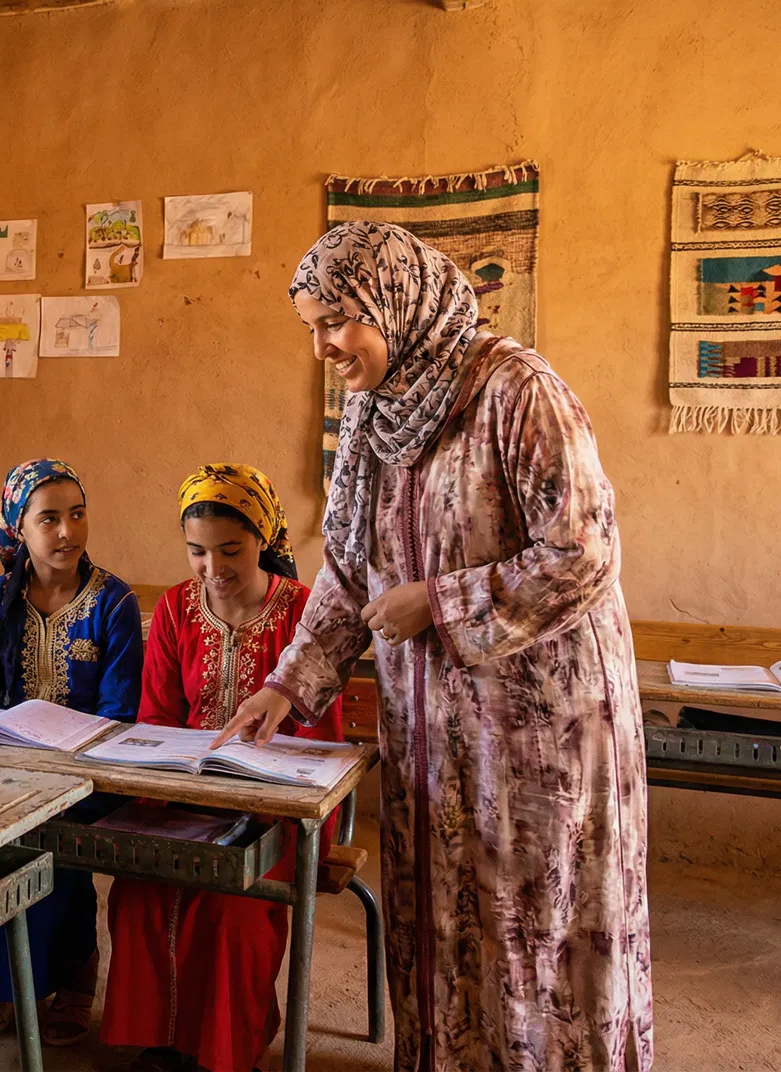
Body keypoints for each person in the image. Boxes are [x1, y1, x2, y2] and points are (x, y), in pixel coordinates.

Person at [212, 221, 654, 1071]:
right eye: (309, 326)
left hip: (539, 735)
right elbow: (347, 567)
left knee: (532, 933)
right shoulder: (375, 415)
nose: (321, 347)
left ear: (394, 303)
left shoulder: (517, 392)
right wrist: (288, 683)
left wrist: (441, 604)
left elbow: (585, 552)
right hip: (433, 730)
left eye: (335, 320)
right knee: (449, 924)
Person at [101, 464, 345, 1072]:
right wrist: (158, 799)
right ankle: (163, 1042)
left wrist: (279, 808)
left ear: (264, 538)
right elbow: (156, 720)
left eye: (230, 550)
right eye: (197, 552)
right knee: (140, 891)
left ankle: (226, 1050)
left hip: (277, 810)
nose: (213, 569)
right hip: (181, 797)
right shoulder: (177, 610)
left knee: (233, 906)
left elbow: (322, 741)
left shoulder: (301, 611)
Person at [0, 458, 143, 1045]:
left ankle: (75, 977)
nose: (68, 531)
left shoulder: (113, 604)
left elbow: (120, 713)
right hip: (9, 772)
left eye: (77, 514)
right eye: (48, 518)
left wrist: (63, 767)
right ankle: (1, 983)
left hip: (92, 778)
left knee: (62, 850)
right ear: (17, 528)